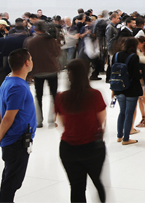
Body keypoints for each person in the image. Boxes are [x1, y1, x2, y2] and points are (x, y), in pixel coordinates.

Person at [0, 48, 37, 203]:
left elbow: (0, 110)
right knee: (12, 182)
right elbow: (8, 117)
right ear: (27, 62)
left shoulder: (9, 80)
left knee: (10, 178)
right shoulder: (18, 87)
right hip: (16, 141)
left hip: (14, 140)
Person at [55, 59, 107, 203]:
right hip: (92, 147)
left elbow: (62, 123)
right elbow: (101, 119)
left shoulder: (61, 97)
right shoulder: (95, 95)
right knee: (97, 182)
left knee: (76, 188)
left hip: (69, 148)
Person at [24, 21, 61, 129]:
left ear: (35, 29)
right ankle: (52, 120)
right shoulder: (52, 40)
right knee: (54, 95)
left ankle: (38, 121)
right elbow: (57, 53)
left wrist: (29, 74)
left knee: (38, 96)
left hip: (37, 71)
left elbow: (28, 58)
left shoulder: (30, 41)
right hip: (52, 70)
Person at [110, 37, 143, 145]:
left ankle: (119, 136)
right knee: (129, 113)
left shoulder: (116, 55)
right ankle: (126, 138)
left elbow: (110, 71)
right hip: (131, 88)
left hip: (118, 87)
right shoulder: (134, 57)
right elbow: (136, 75)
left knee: (122, 111)